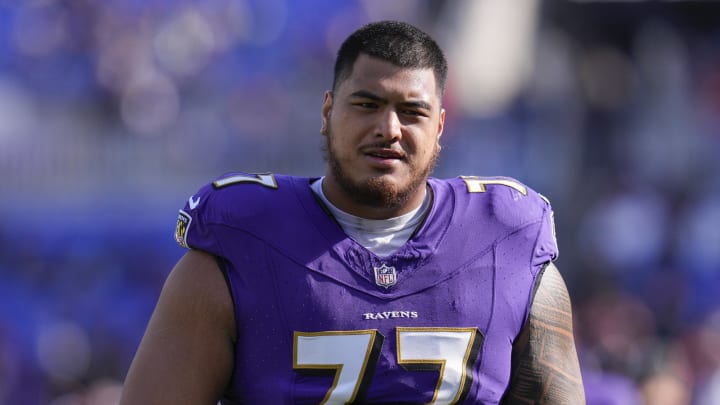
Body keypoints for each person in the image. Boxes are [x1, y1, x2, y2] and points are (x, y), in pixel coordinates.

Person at [120, 20, 585, 404]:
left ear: (440, 125)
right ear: (328, 112)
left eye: (412, 112)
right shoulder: (239, 245)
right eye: (367, 104)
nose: (388, 129)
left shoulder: (506, 239)